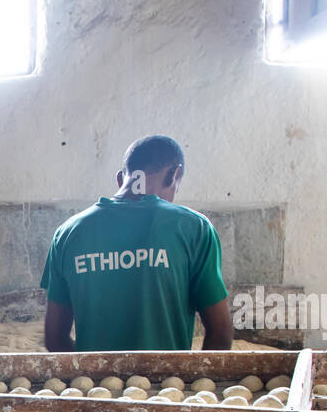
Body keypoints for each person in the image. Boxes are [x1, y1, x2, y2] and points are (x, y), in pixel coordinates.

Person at [41, 136, 233, 353]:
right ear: (174, 174)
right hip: (169, 385)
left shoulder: (67, 233)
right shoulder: (194, 228)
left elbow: (55, 339)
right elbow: (221, 332)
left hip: (94, 386)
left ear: (120, 179)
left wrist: (88, 376)